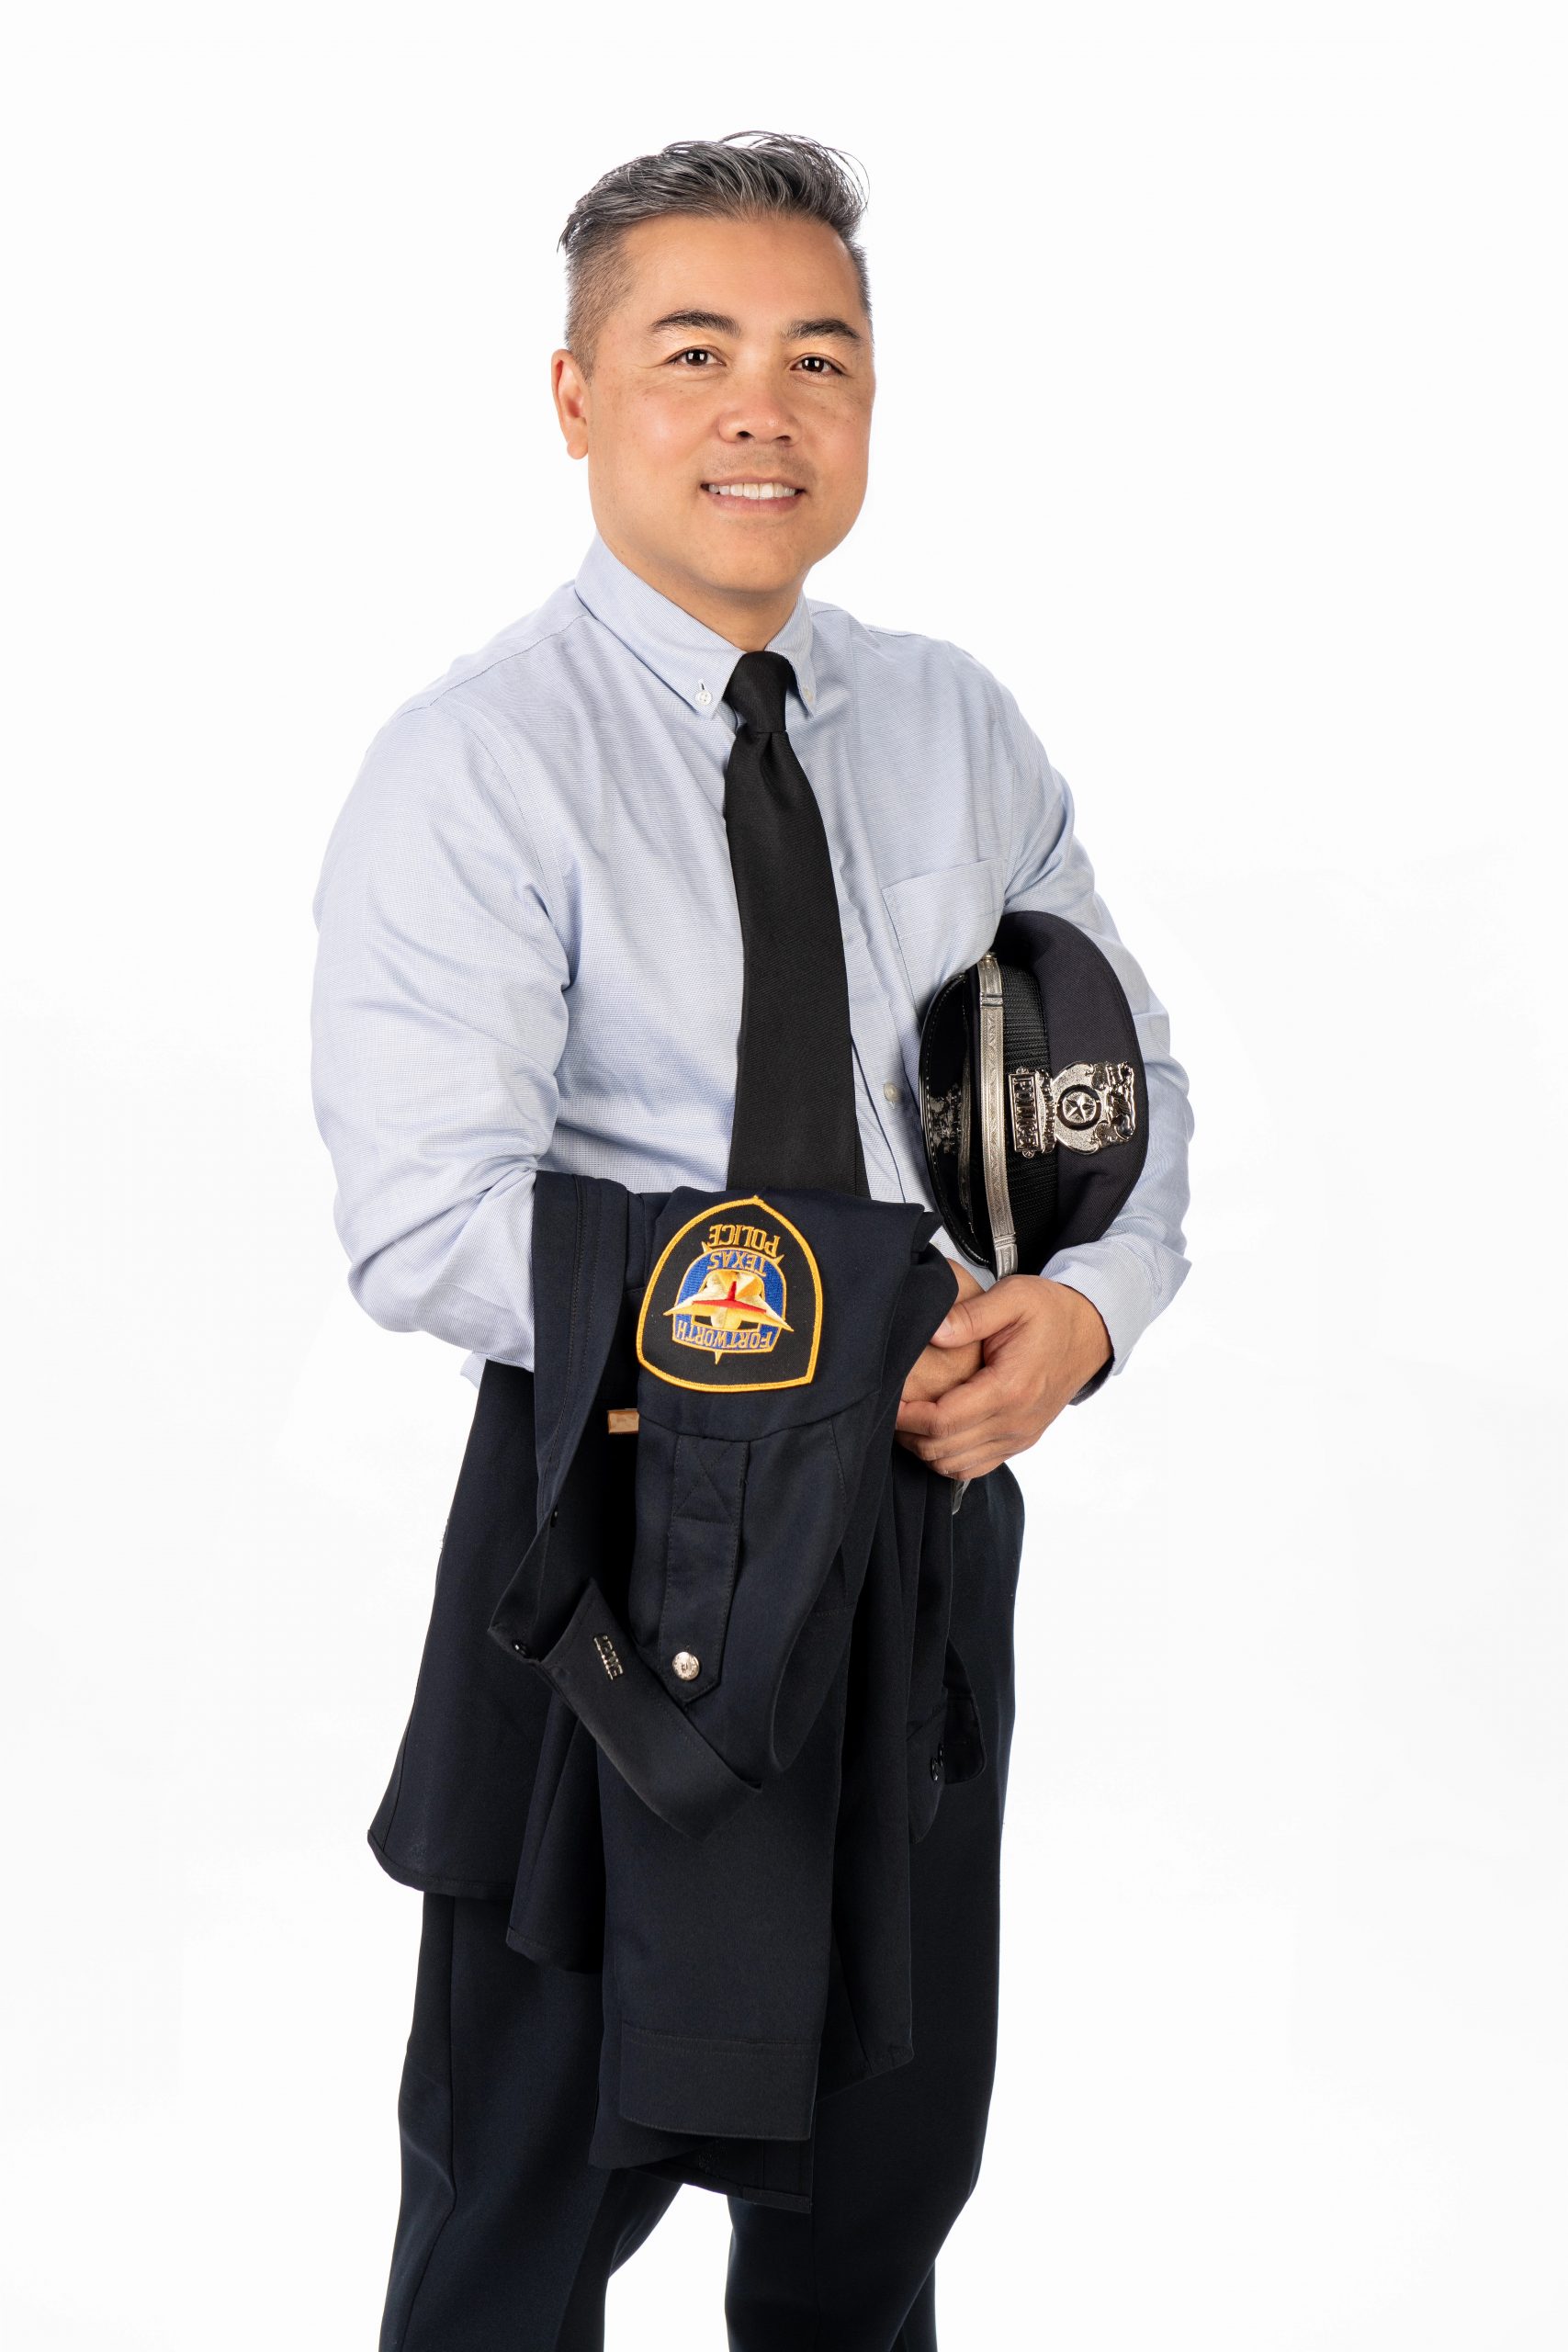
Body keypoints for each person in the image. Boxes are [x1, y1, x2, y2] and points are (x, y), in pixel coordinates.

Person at [310, 129, 1192, 2352]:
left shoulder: (950, 727)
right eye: (691, 351)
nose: (760, 411)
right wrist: (851, 1320)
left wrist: (1078, 1313)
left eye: (820, 358)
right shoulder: (477, 764)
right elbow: (429, 1222)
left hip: (910, 1540)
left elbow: (1112, 1085)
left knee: (875, 2201)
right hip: (607, 1546)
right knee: (520, 2209)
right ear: (578, 396)